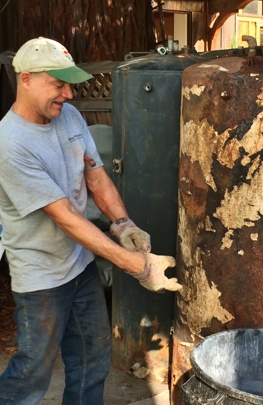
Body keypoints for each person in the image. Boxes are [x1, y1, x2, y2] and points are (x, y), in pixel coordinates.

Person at [0, 37, 181, 404]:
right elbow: (64, 216)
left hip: (80, 266)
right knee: (34, 369)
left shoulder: (69, 116)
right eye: (58, 83)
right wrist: (135, 265)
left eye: (70, 84)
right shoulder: (11, 142)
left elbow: (95, 176)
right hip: (41, 277)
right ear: (27, 79)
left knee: (92, 360)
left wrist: (123, 224)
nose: (68, 94)